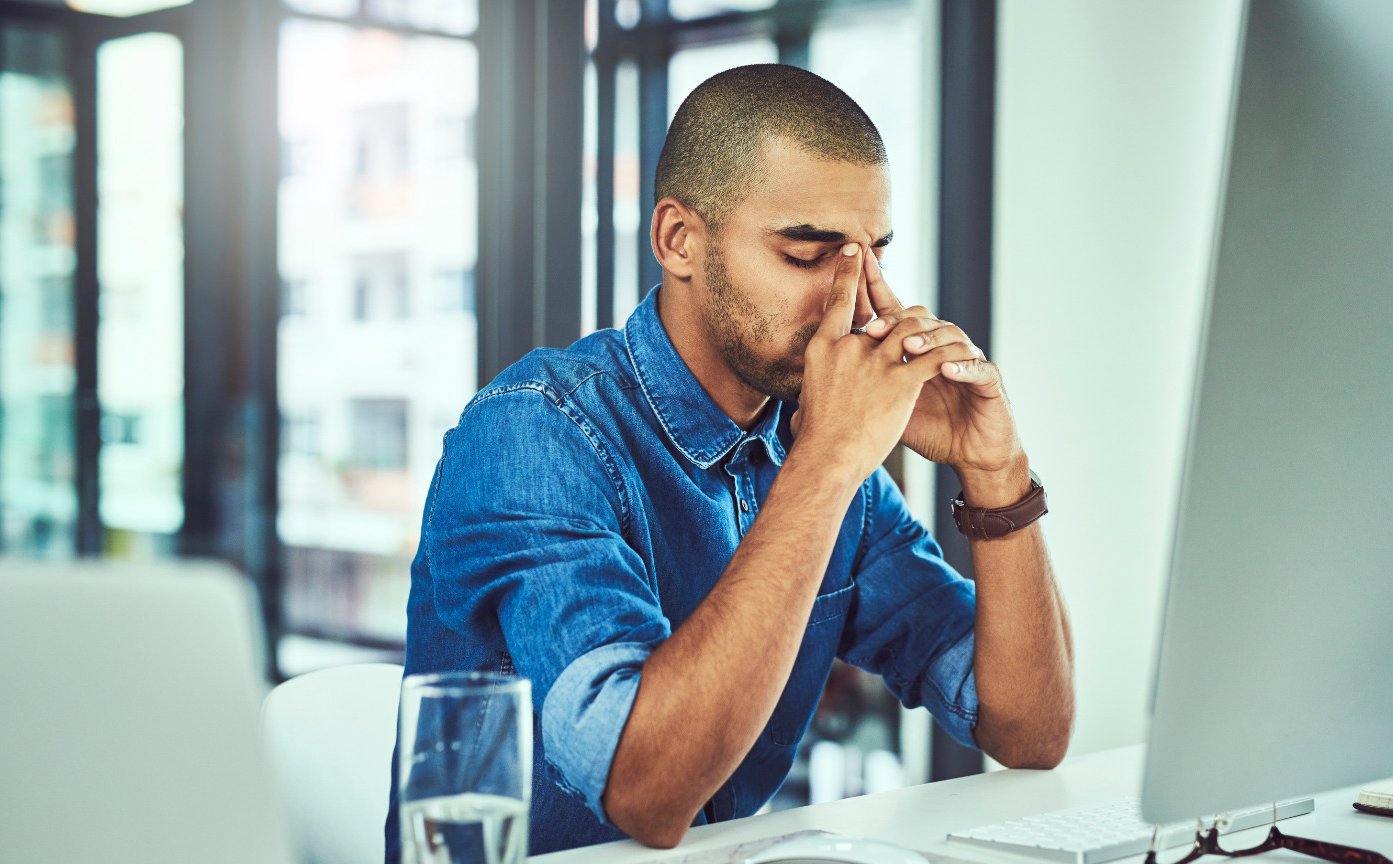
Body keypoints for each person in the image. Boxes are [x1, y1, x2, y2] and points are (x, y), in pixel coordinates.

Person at [385, 64, 1073, 857]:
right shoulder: (532, 432)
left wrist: (997, 472)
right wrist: (826, 465)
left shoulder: (817, 450)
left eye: (870, 255)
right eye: (807, 254)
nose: (850, 303)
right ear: (679, 240)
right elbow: (646, 790)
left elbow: (1028, 729)